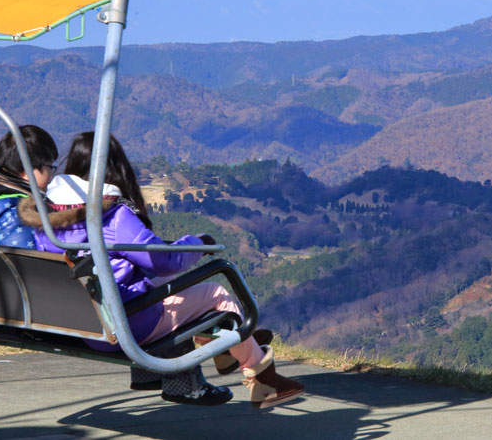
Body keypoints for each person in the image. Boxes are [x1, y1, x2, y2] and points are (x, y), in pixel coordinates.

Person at [17, 131, 304, 409]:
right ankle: (262, 380)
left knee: (176, 290)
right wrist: (197, 244)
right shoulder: (112, 216)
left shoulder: (47, 218)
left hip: (87, 327)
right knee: (217, 293)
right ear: (115, 170)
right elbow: (164, 262)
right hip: (128, 327)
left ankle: (229, 346)